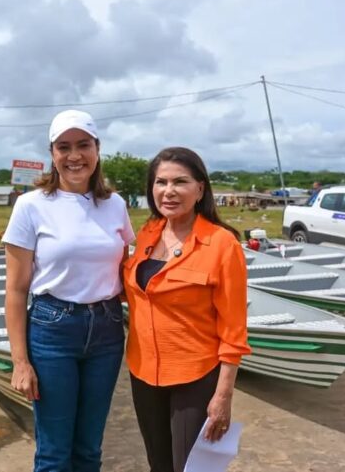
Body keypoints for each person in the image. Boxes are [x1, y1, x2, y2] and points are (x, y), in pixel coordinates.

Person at [2, 109, 135, 472]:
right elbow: (15, 290)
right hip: (52, 331)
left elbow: (125, 270)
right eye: (64, 147)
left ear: (97, 149)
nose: (74, 155)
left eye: (83, 145)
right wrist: (20, 362)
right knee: (54, 452)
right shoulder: (31, 206)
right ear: (52, 153)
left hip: (107, 330)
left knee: (89, 449)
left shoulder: (115, 204)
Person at [122, 147, 251, 472]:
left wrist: (223, 396)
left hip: (195, 375)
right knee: (159, 464)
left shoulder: (222, 244)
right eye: (161, 182)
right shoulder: (148, 233)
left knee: (192, 468)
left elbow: (234, 330)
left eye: (180, 182)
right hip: (143, 372)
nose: (169, 191)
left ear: (200, 189)